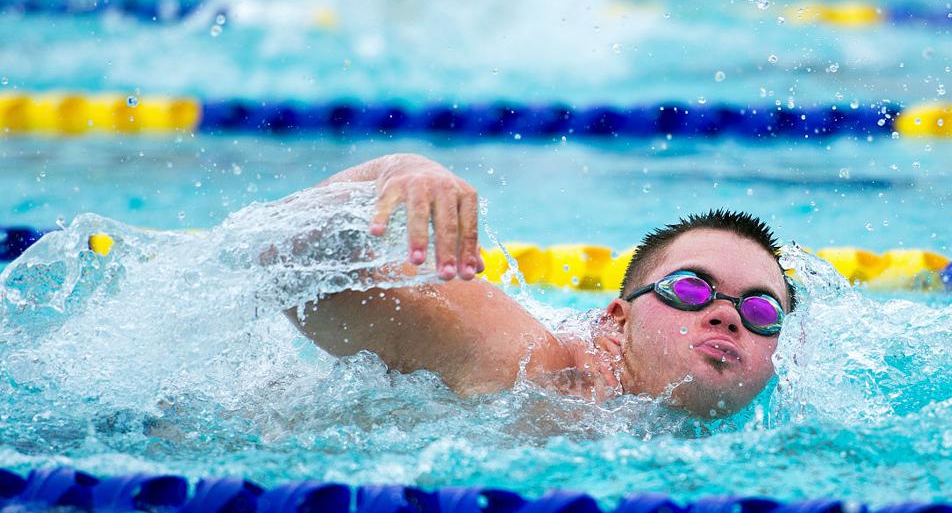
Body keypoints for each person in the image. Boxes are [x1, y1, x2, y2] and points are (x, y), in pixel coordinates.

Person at [286, 152, 796, 418]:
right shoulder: (528, 365)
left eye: (761, 312)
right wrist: (401, 169)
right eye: (690, 289)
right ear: (617, 320)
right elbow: (285, 264)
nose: (728, 315)